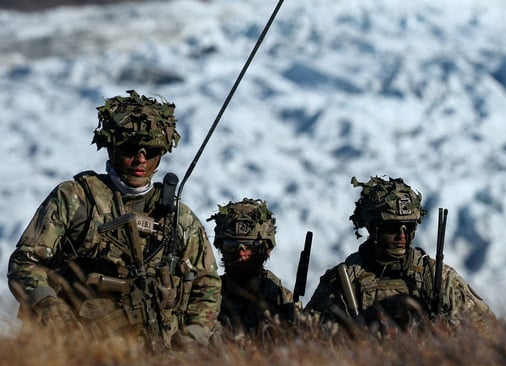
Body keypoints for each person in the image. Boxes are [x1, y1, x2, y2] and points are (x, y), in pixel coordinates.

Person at [7, 90, 221, 349]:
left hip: (159, 354)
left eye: (151, 150)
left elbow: (207, 284)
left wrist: (191, 336)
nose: (141, 159)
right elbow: (26, 262)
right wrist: (50, 309)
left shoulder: (179, 218)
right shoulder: (76, 198)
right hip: (75, 350)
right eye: (131, 149)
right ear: (112, 147)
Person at [306, 176, 495, 333]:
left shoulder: (437, 277)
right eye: (392, 228)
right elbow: (310, 338)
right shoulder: (343, 281)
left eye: (409, 227)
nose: (402, 236)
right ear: (372, 228)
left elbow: (487, 329)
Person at [208, 198, 300, 339]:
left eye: (250, 246)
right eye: (231, 246)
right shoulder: (206, 298)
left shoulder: (281, 299)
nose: (241, 254)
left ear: (266, 250)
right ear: (221, 248)